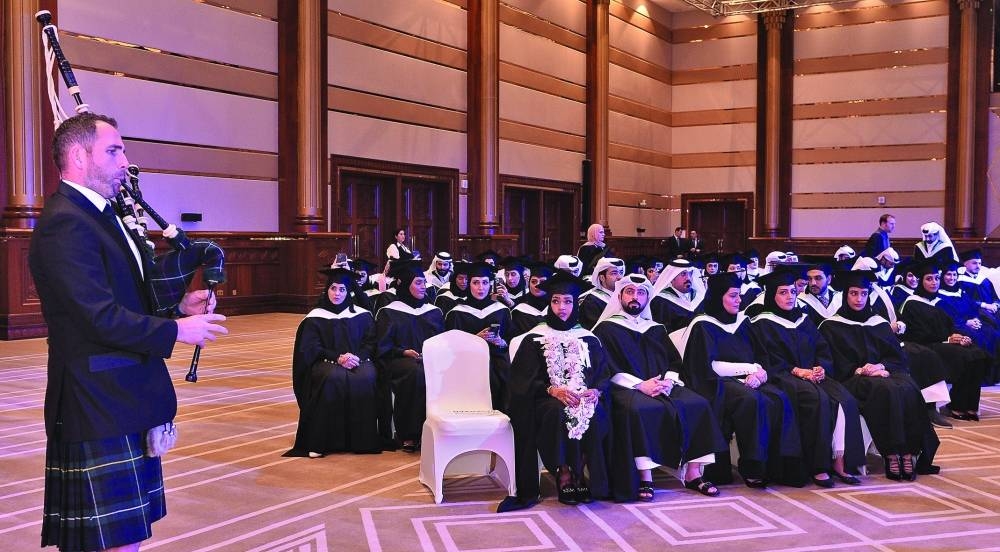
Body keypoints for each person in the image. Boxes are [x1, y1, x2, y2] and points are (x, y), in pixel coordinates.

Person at [30, 112, 227, 552]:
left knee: (126, 540)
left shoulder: (100, 216)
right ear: (79, 156)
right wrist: (176, 331)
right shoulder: (66, 222)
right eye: (115, 150)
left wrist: (178, 305)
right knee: (109, 545)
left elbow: (123, 295)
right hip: (96, 399)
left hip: (122, 394)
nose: (126, 161)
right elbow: (96, 317)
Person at [592, 274, 726, 501]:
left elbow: (674, 362)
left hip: (662, 385)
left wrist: (669, 381)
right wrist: (640, 385)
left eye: (641, 293)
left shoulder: (656, 328)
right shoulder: (606, 329)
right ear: (621, 295)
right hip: (626, 388)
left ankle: (693, 473)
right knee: (642, 410)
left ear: (647, 298)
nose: (635, 297)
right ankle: (646, 476)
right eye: (630, 292)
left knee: (698, 404)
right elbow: (606, 369)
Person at [498, 271, 614, 512]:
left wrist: (596, 391)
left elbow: (603, 373)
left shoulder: (588, 339)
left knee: (596, 411)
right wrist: (552, 390)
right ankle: (563, 473)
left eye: (568, 301)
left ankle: (581, 472)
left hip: (582, 395)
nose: (562, 307)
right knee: (557, 412)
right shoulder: (535, 338)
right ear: (549, 303)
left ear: (575, 304)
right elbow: (521, 380)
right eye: (556, 301)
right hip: (544, 399)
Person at [678, 272, 801, 488]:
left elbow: (761, 356)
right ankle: (753, 467)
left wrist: (761, 373)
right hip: (716, 383)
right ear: (718, 297)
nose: (739, 301)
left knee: (780, 397)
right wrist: (749, 369)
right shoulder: (703, 325)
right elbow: (710, 366)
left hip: (749, 380)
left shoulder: (744, 323)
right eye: (733, 296)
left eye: (740, 296)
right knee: (752, 401)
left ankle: (780, 468)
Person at [750, 268, 866, 487]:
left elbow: (822, 348)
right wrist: (797, 371)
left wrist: (821, 367)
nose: (790, 297)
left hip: (813, 374)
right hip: (783, 376)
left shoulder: (804, 319)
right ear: (772, 295)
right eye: (783, 292)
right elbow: (765, 358)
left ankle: (840, 461)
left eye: (792, 292)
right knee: (815, 399)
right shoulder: (762, 323)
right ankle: (817, 466)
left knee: (845, 400)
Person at [818, 271, 939, 481]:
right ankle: (891, 453)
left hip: (885, 372)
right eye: (854, 294)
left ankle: (909, 452)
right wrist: (861, 370)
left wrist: (881, 366)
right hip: (853, 379)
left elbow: (898, 357)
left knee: (908, 387)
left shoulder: (879, 323)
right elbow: (832, 363)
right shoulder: (831, 326)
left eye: (864, 294)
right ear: (846, 295)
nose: (859, 299)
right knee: (886, 389)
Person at [287, 268, 380, 457]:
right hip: (325, 361)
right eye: (333, 288)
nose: (337, 294)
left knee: (366, 376)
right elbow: (310, 348)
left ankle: (363, 442)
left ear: (349, 291)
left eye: (342, 289)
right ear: (326, 290)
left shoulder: (362, 315)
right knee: (332, 377)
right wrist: (337, 357)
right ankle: (320, 442)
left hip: (357, 360)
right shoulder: (315, 318)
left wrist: (357, 357)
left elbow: (370, 342)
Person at [898, 260, 989, 421]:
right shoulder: (911, 304)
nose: (934, 282)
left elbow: (951, 324)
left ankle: (968, 405)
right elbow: (918, 334)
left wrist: (961, 336)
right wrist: (948, 339)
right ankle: (955, 405)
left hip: (945, 342)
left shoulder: (940, 301)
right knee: (964, 356)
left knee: (978, 354)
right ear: (921, 281)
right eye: (929, 279)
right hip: (924, 346)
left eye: (936, 278)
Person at [374, 260, 444, 452]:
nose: (424, 287)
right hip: (398, 362)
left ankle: (440, 430)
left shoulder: (434, 312)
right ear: (405, 284)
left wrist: (431, 354)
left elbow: (442, 342)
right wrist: (403, 352)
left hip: (429, 360)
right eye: (418, 283)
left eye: (424, 282)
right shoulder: (389, 312)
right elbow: (381, 347)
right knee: (416, 373)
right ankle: (410, 434)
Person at [445, 262, 512, 411]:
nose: (481, 288)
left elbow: (511, 342)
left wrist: (501, 342)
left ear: (490, 285)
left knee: (504, 375)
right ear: (469, 284)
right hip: (466, 361)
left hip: (497, 360)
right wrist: (474, 340)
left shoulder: (502, 311)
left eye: (485, 282)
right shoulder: (456, 313)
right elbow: (449, 346)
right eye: (476, 283)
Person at [650, 259, 705, 332]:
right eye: (683, 274)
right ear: (672, 278)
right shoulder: (661, 302)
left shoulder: (700, 297)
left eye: (690, 273)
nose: (688, 278)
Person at [508, 263, 556, 339]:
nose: (537, 285)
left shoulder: (557, 306)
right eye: (533, 281)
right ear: (529, 283)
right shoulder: (520, 308)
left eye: (542, 282)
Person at [578, 257, 625, 330]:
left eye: (621, 272)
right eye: (614, 273)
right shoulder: (592, 301)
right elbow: (596, 329)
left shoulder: (624, 296)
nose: (620, 277)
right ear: (602, 278)